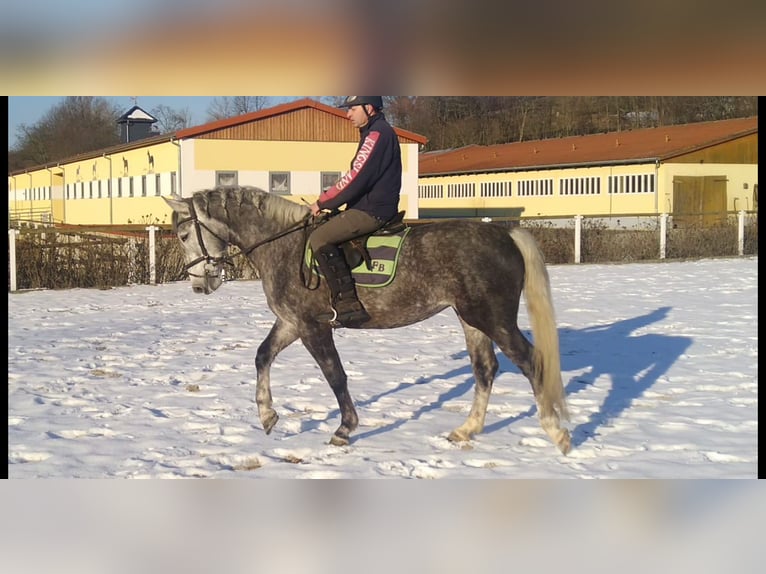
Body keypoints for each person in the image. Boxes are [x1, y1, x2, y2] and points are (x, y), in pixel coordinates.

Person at [309, 96, 403, 327]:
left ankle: (347, 305)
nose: (348, 114)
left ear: (369, 108)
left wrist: (323, 202)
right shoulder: (373, 132)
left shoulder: (376, 134)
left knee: (319, 237)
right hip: (367, 205)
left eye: (352, 109)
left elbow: (356, 178)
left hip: (372, 210)